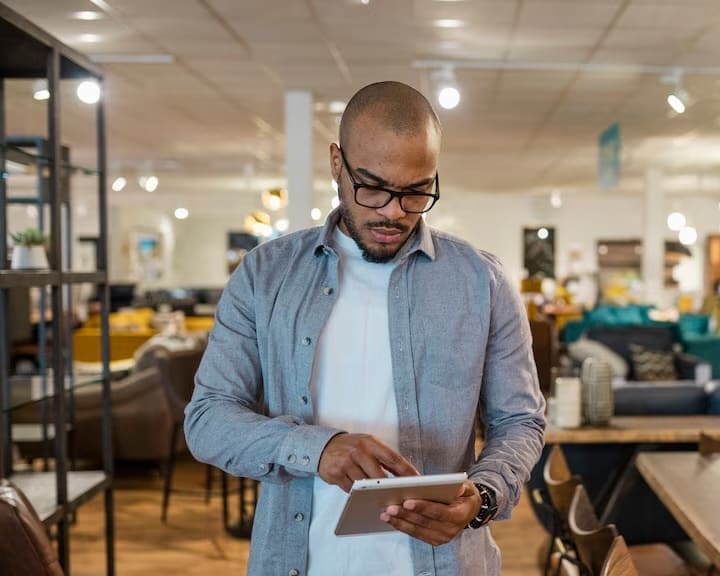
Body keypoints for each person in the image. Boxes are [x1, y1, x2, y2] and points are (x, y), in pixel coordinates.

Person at [184, 81, 546, 576]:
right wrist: (317, 449)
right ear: (337, 163)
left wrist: (483, 497)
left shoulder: (482, 282)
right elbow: (207, 419)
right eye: (372, 187)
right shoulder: (264, 276)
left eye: (416, 192)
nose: (393, 211)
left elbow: (520, 421)